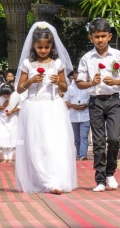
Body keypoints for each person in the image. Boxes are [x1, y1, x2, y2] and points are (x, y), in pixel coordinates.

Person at [16, 22, 76, 194]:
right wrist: (30, 81)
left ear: (52, 46)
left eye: (46, 47)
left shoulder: (58, 64)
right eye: (39, 47)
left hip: (54, 106)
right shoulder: (28, 63)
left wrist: (60, 82)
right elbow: (19, 88)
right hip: (34, 107)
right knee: (37, 145)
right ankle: (41, 180)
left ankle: (56, 180)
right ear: (33, 46)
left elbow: (65, 88)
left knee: (55, 143)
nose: (43, 50)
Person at [77, 18, 120, 192]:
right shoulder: (87, 58)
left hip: (114, 100)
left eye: (103, 36)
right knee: (99, 141)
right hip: (96, 101)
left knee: (115, 139)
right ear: (90, 38)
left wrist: (115, 80)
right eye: (96, 37)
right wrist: (92, 83)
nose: (100, 40)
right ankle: (100, 179)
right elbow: (80, 82)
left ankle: (110, 172)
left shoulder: (118, 56)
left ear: (109, 36)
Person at [64, 70, 90, 161]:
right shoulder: (69, 88)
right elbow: (65, 101)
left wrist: (86, 105)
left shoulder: (88, 87)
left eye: (78, 79)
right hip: (73, 117)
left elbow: (92, 100)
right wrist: (72, 106)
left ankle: (83, 155)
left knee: (84, 136)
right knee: (77, 138)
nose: (76, 80)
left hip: (85, 116)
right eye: (75, 78)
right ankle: (79, 154)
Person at [0, 84, 20, 163]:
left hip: (12, 119)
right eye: (4, 94)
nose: (6, 96)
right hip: (1, 119)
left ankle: (10, 158)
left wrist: (12, 111)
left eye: (8, 94)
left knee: (12, 137)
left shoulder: (16, 96)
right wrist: (2, 107)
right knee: (2, 137)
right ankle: (5, 158)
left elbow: (20, 106)